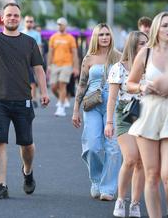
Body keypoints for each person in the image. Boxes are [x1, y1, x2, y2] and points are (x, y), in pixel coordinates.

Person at [0, 1, 49, 199]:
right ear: (2, 18)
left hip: (23, 100)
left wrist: (44, 92)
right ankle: (1, 185)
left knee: (27, 145)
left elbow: (39, 69)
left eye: (16, 15)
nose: (12, 18)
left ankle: (28, 172)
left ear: (20, 19)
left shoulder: (29, 42)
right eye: (9, 15)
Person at [127, 11, 168, 218]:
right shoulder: (146, 53)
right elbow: (129, 84)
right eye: (165, 25)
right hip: (149, 115)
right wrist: (141, 87)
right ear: (157, 28)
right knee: (151, 175)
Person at [72, 23, 122, 201]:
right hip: (92, 103)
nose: (104, 37)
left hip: (113, 103)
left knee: (113, 148)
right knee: (92, 146)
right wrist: (75, 110)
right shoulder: (89, 59)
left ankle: (108, 187)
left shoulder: (118, 57)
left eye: (107, 34)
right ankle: (97, 179)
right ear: (95, 37)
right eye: (101, 34)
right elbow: (82, 84)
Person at [105, 31, 148, 217]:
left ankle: (135, 203)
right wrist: (109, 122)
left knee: (141, 162)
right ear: (132, 45)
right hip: (125, 115)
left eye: (147, 43)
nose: (146, 46)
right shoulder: (118, 68)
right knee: (130, 158)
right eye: (141, 44)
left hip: (147, 115)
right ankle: (121, 200)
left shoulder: (152, 66)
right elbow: (112, 98)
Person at [48, 17, 79, 117]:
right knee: (53, 87)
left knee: (62, 84)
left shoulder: (70, 38)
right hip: (55, 64)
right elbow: (50, 52)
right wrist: (48, 65)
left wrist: (76, 67)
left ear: (65, 25)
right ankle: (62, 98)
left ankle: (60, 108)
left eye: (61, 24)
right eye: (58, 24)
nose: (59, 26)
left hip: (67, 64)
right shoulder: (53, 37)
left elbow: (74, 53)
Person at [21, 15, 43, 108]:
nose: (29, 23)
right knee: (24, 80)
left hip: (33, 61)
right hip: (22, 61)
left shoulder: (36, 34)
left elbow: (39, 47)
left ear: (33, 23)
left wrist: (40, 60)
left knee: (33, 80)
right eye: (27, 21)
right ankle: (25, 98)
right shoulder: (20, 32)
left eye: (31, 21)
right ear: (24, 22)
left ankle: (33, 98)